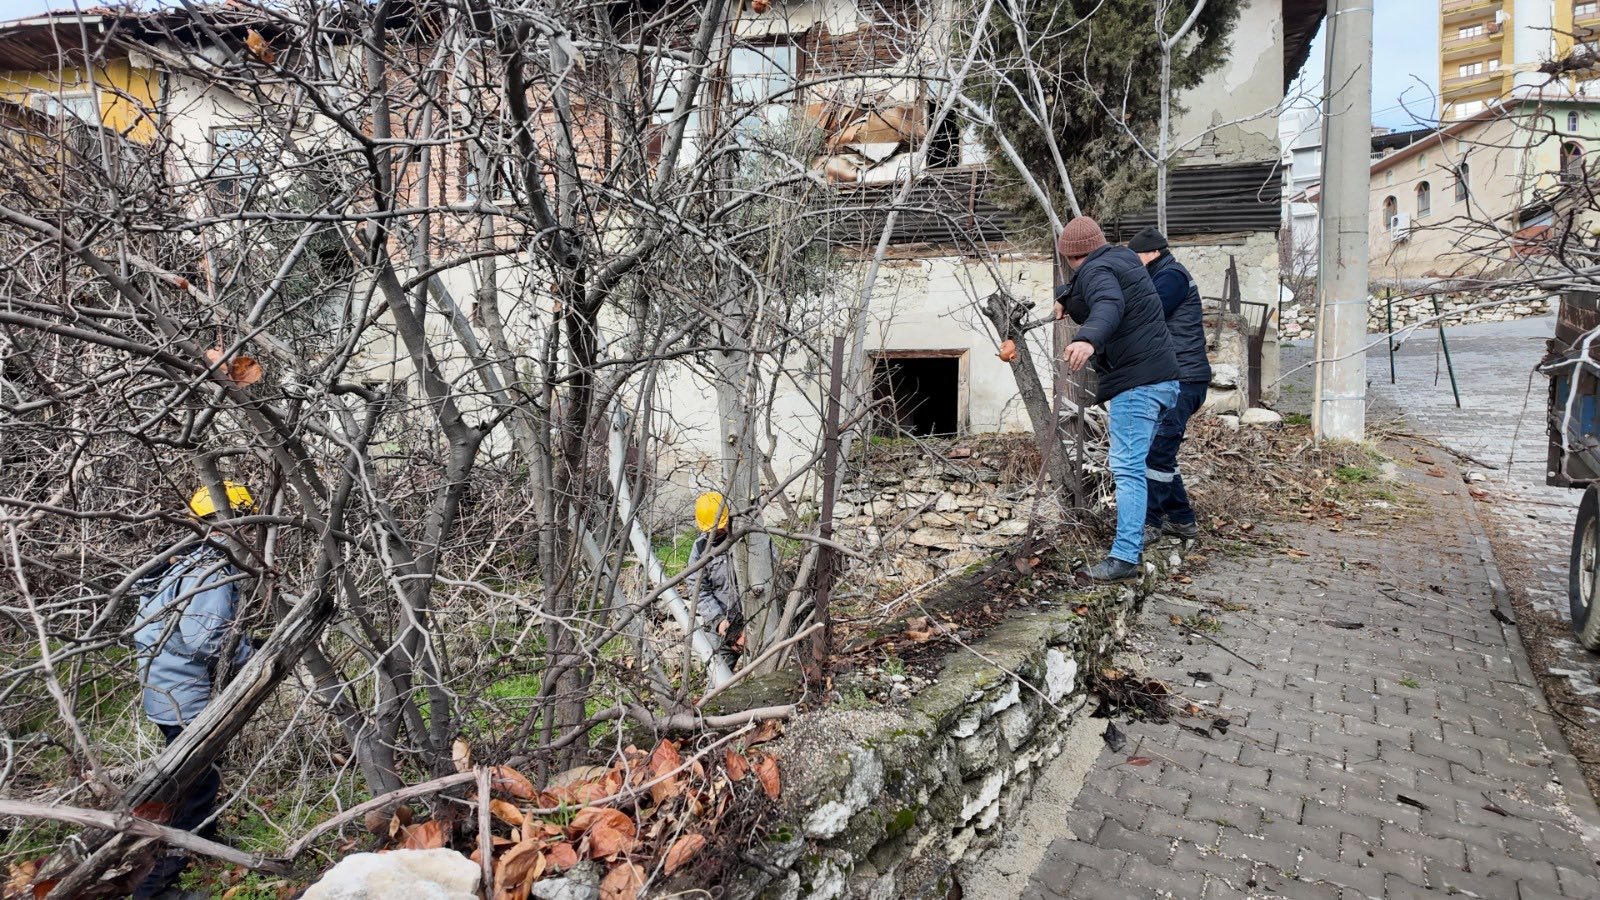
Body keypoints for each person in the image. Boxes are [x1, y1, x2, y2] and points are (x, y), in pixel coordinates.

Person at [131, 481, 256, 899]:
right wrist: (251, 655)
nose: (253, 531)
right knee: (195, 785)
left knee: (199, 776)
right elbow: (205, 639)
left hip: (164, 690)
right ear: (229, 523)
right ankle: (156, 887)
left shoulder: (180, 564)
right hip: (184, 696)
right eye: (247, 520)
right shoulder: (213, 571)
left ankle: (207, 844)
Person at [1054, 216, 1181, 582]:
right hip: (1162, 380)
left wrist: (1087, 338)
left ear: (1070, 255)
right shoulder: (1124, 260)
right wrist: (1067, 298)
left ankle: (1125, 557)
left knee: (1127, 469)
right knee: (1138, 465)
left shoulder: (1097, 274)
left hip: (1137, 384)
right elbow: (1103, 294)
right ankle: (1158, 532)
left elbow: (1108, 303)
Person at [1127, 225, 1212, 541]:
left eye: (1136, 256)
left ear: (1151, 253)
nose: (1134, 262)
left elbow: (1150, 313)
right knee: (1161, 451)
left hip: (1184, 378)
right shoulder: (1163, 275)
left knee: (1156, 454)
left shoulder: (1171, 276)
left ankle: (1150, 523)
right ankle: (1182, 519)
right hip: (1178, 376)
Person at [687, 491, 746, 665]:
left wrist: (750, 628)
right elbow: (699, 590)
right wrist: (719, 623)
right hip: (722, 623)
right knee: (718, 677)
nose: (717, 531)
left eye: (720, 525)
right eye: (712, 528)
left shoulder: (750, 538)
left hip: (756, 620)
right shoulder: (700, 550)